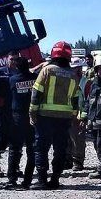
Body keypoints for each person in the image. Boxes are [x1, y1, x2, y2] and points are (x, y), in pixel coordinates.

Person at [29, 41, 80, 189]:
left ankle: (42, 180)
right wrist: (74, 115)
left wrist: (32, 112)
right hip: (64, 118)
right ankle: (55, 179)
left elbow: (36, 93)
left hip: (44, 116)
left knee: (41, 148)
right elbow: (76, 99)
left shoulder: (47, 70)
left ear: (53, 55)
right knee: (60, 149)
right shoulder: (73, 75)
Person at [6, 56, 36, 189]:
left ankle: (12, 179)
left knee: (14, 148)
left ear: (17, 67)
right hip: (33, 116)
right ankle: (27, 180)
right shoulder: (34, 78)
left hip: (17, 117)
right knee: (31, 148)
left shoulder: (12, 80)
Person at [0, 50, 19, 177]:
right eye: (11, 59)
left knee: (16, 139)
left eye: (16, 59)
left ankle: (15, 167)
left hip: (16, 111)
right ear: (7, 59)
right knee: (0, 138)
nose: (14, 62)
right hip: (2, 112)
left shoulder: (20, 73)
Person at [66, 57, 88, 171]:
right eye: (73, 68)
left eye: (77, 68)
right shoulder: (68, 80)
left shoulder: (86, 82)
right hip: (68, 112)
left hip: (80, 114)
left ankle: (78, 161)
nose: (75, 70)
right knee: (68, 138)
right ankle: (68, 160)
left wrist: (84, 116)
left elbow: (88, 99)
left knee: (78, 138)